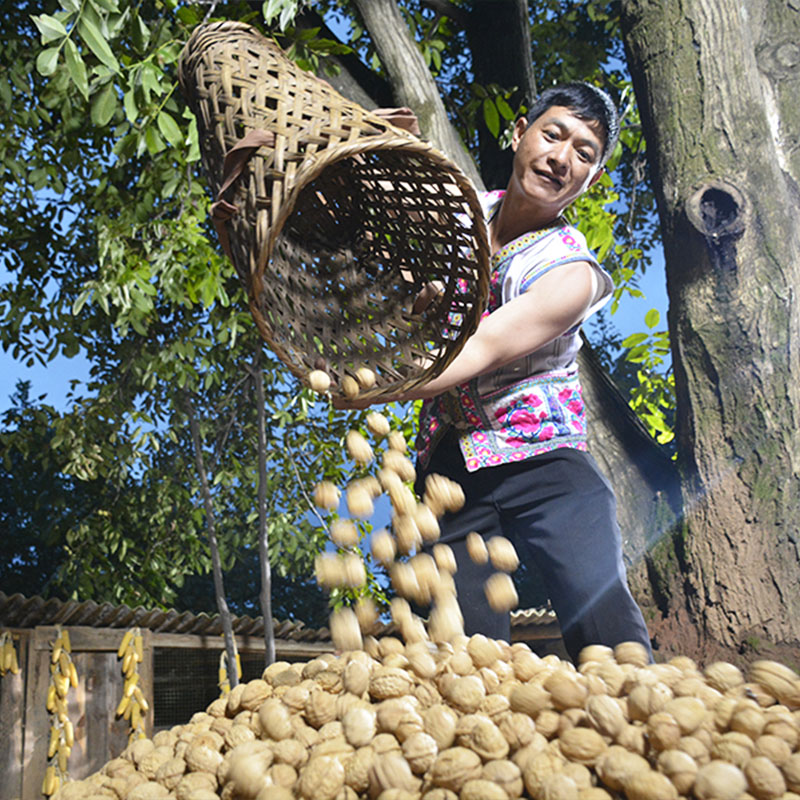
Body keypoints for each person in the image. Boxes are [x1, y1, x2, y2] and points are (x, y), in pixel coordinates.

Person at [343, 82, 652, 663]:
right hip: (451, 477)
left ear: (593, 179)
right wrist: (375, 148)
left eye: (584, 154)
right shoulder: (461, 214)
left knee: (606, 629)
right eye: (553, 134)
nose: (562, 158)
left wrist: (373, 388)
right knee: (461, 655)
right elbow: (390, 228)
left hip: (545, 464)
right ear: (519, 133)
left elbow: (481, 347)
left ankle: (647, 731)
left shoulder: (572, 275)